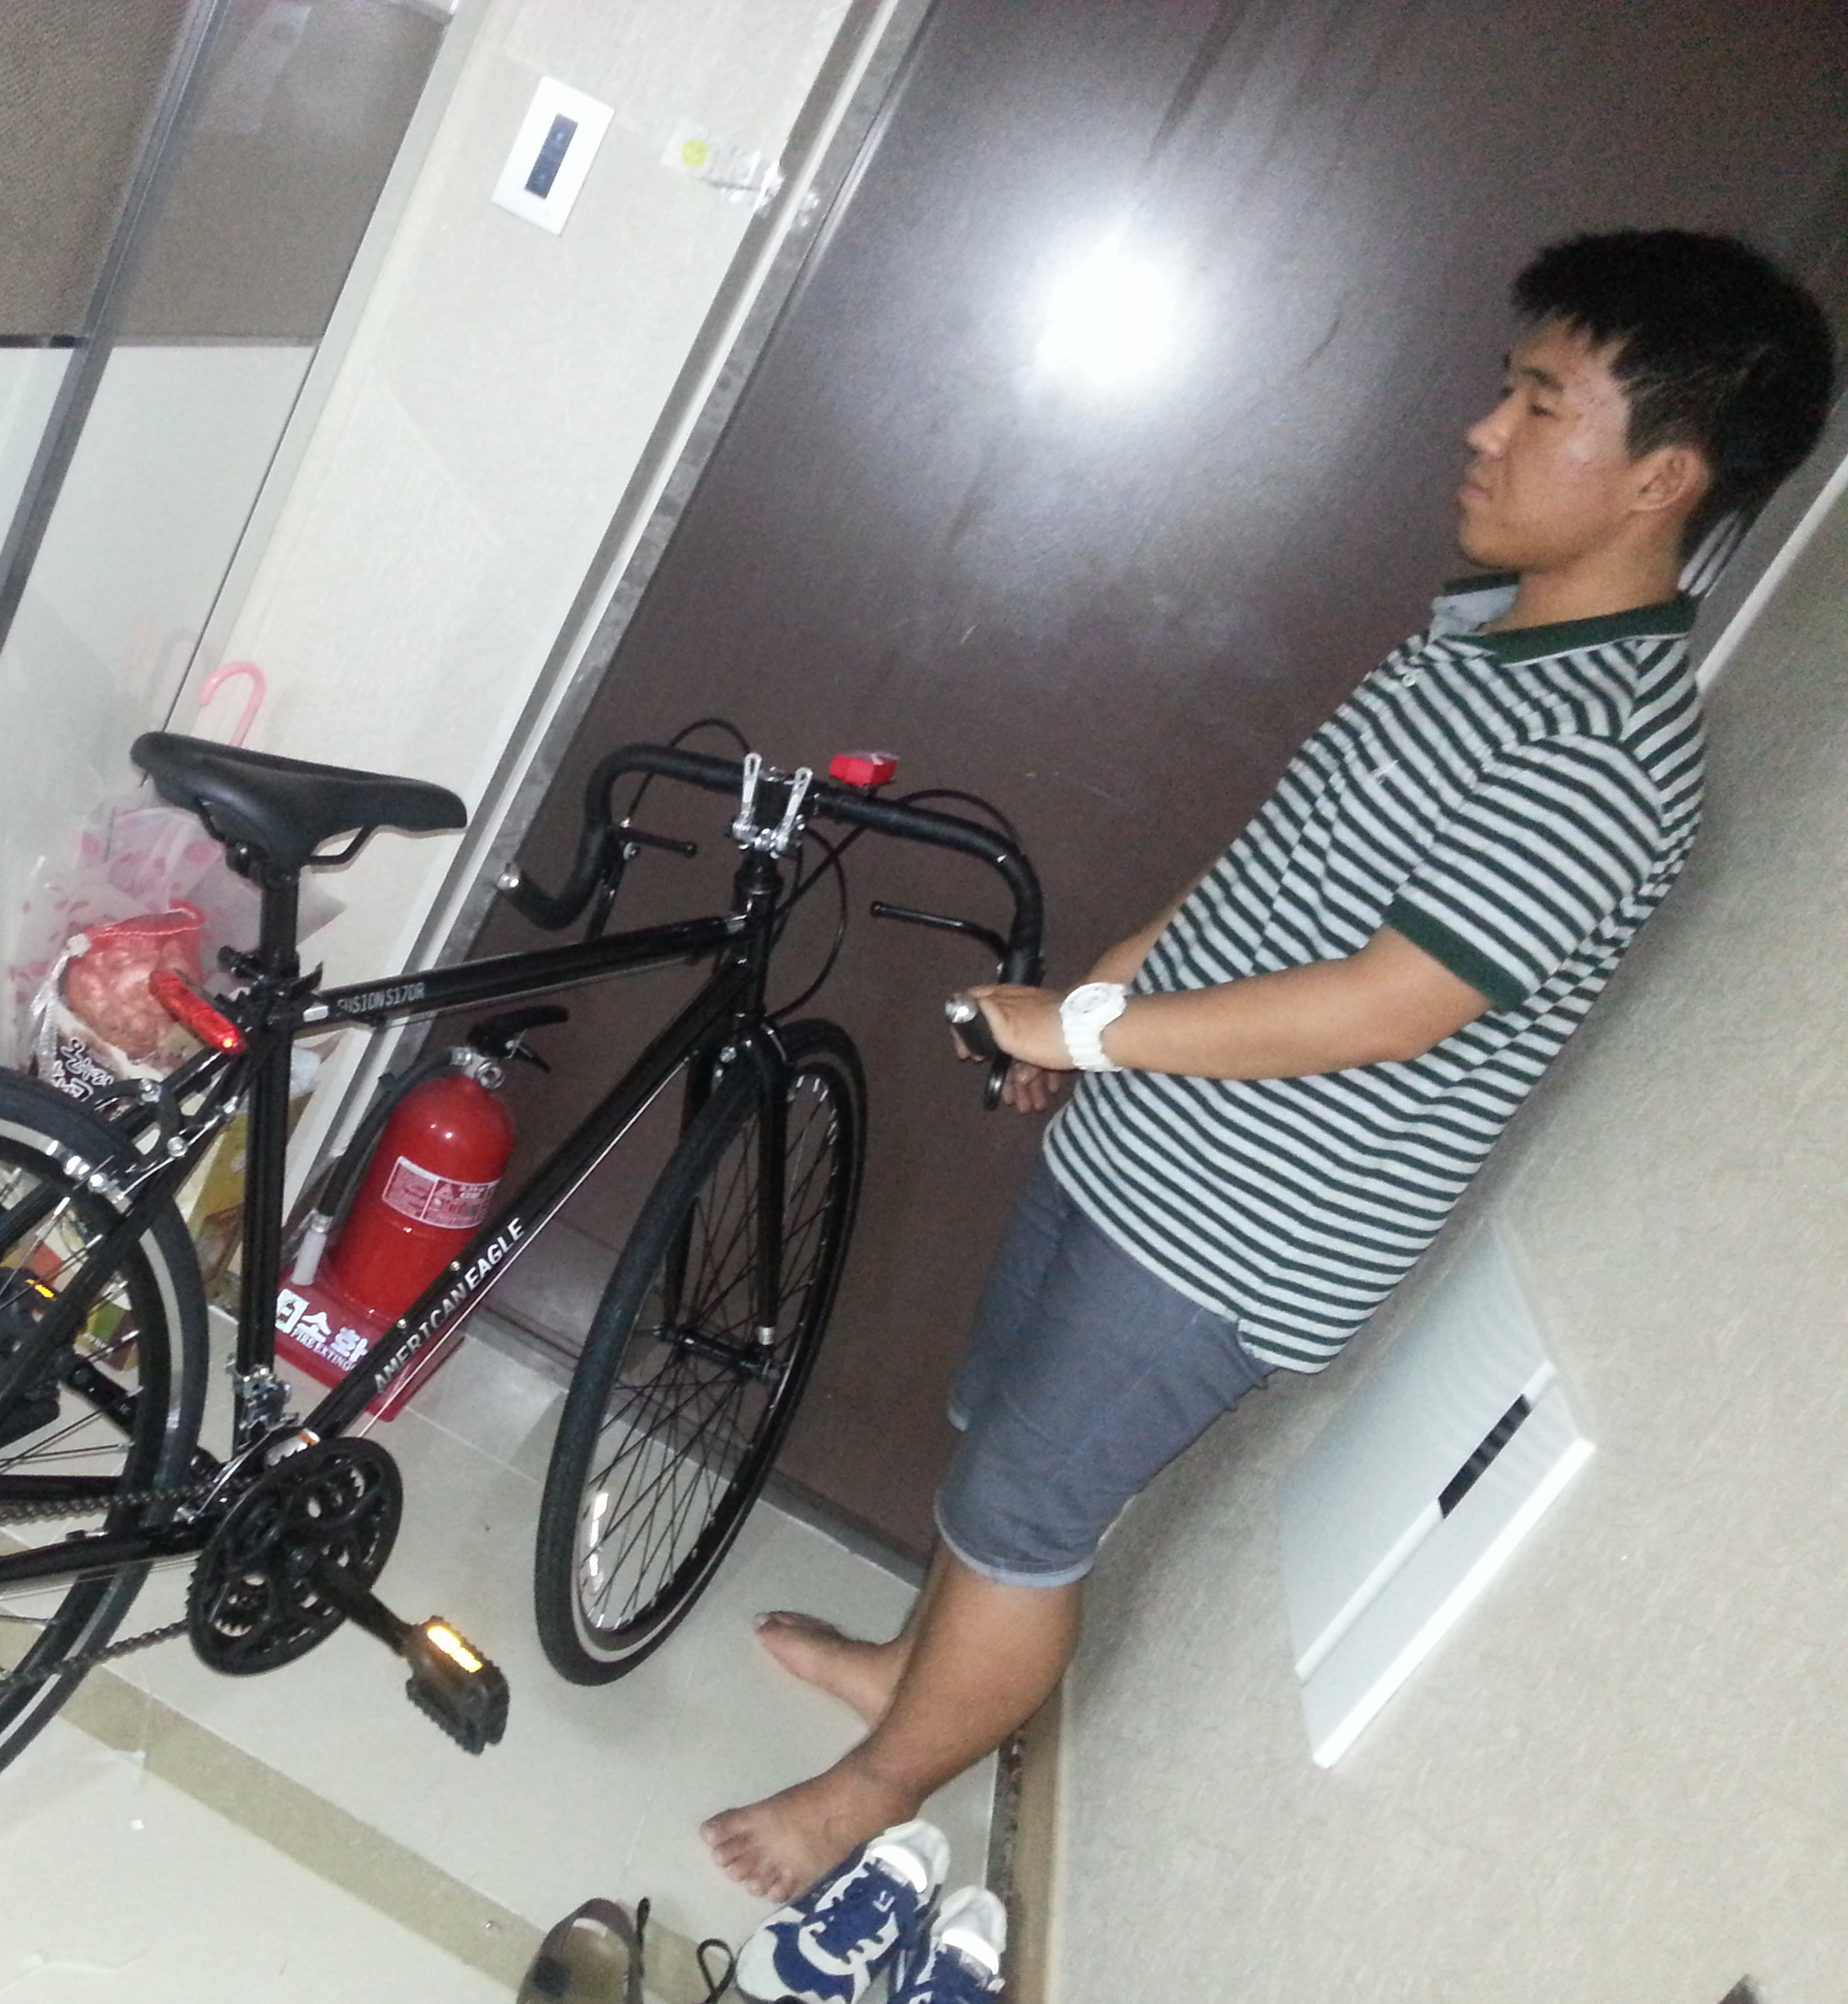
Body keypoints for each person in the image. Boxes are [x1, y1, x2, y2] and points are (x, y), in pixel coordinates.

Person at [703, 229, 1837, 1904]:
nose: (1483, 429)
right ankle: (904, 1673)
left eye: (1539, 404)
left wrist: (1092, 1031)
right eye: (1505, 388)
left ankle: (874, 1793)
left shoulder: (1603, 751)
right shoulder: (1478, 634)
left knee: (1027, 1523)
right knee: (996, 1435)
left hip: (1239, 1236)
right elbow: (1288, 863)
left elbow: (1390, 1004)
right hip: (1148, 1143)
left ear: (1664, 475)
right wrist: (1109, 986)